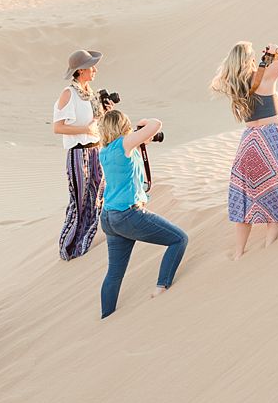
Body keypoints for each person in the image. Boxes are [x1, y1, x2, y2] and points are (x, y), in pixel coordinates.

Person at [210, 42, 278, 260]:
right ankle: (270, 248)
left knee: (243, 197)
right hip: (270, 139)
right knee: (275, 191)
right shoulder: (266, 76)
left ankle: (238, 253)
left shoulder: (236, 83)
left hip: (249, 142)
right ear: (250, 60)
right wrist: (276, 50)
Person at [96, 110, 188, 319]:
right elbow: (156, 123)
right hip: (128, 215)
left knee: (114, 273)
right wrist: (143, 123)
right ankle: (162, 287)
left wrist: (142, 137)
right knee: (179, 239)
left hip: (110, 218)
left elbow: (138, 144)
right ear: (123, 126)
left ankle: (106, 317)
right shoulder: (124, 145)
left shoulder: (106, 151)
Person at [52, 49, 106, 261]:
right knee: (79, 200)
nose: (95, 70)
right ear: (81, 70)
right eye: (91, 66)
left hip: (96, 150)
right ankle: (68, 247)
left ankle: (84, 242)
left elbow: (97, 123)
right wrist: (85, 130)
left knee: (96, 198)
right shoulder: (69, 93)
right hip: (78, 153)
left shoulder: (90, 94)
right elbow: (58, 127)